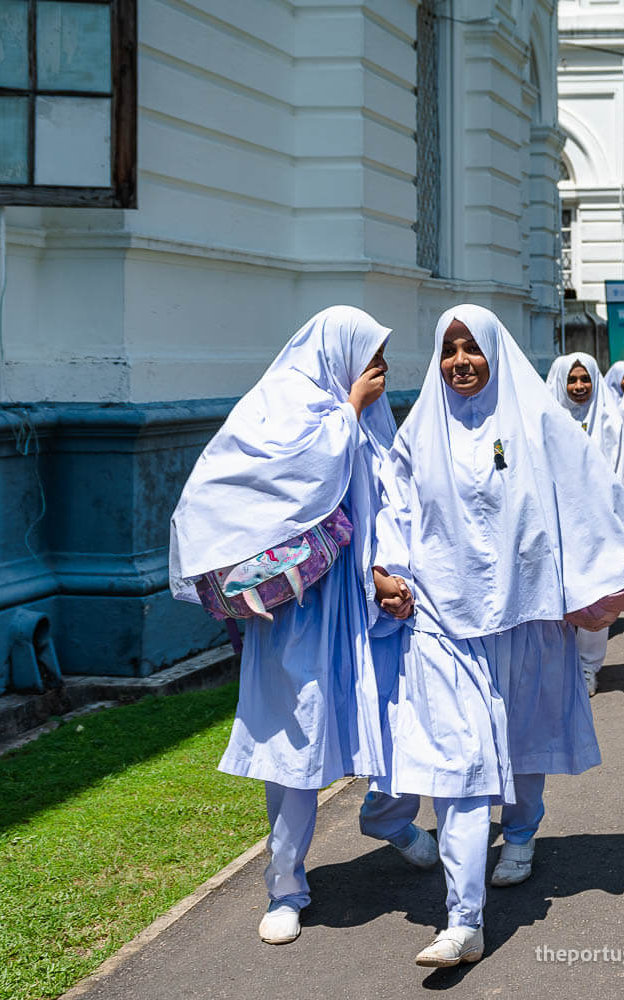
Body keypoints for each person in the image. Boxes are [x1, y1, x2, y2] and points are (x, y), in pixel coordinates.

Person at [365, 305, 624, 967]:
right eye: (449, 349)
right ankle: (463, 920)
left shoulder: (540, 422)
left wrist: (595, 580)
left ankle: (522, 831)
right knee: (460, 766)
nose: (461, 362)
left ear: (496, 353)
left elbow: (588, 495)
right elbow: (395, 508)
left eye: (473, 348)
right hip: (443, 621)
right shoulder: (420, 433)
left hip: (527, 612)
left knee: (523, 737)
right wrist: (391, 571)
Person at [168, 306, 422, 947]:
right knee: (297, 744)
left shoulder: (368, 418)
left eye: (383, 354)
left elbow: (389, 495)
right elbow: (265, 486)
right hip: (296, 611)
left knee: (399, 712)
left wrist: (386, 573)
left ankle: (391, 817)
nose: (381, 368)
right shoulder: (281, 407)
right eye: (370, 355)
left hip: (360, 599)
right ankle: (285, 887)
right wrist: (348, 413)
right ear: (336, 354)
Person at [547, 352, 624, 695]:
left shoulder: (612, 420)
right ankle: (560, 665)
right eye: (572, 379)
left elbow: (620, 473)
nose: (579, 386)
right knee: (560, 599)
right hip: (557, 524)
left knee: (597, 596)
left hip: (599, 526)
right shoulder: (544, 419)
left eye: (586, 379)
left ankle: (588, 666)